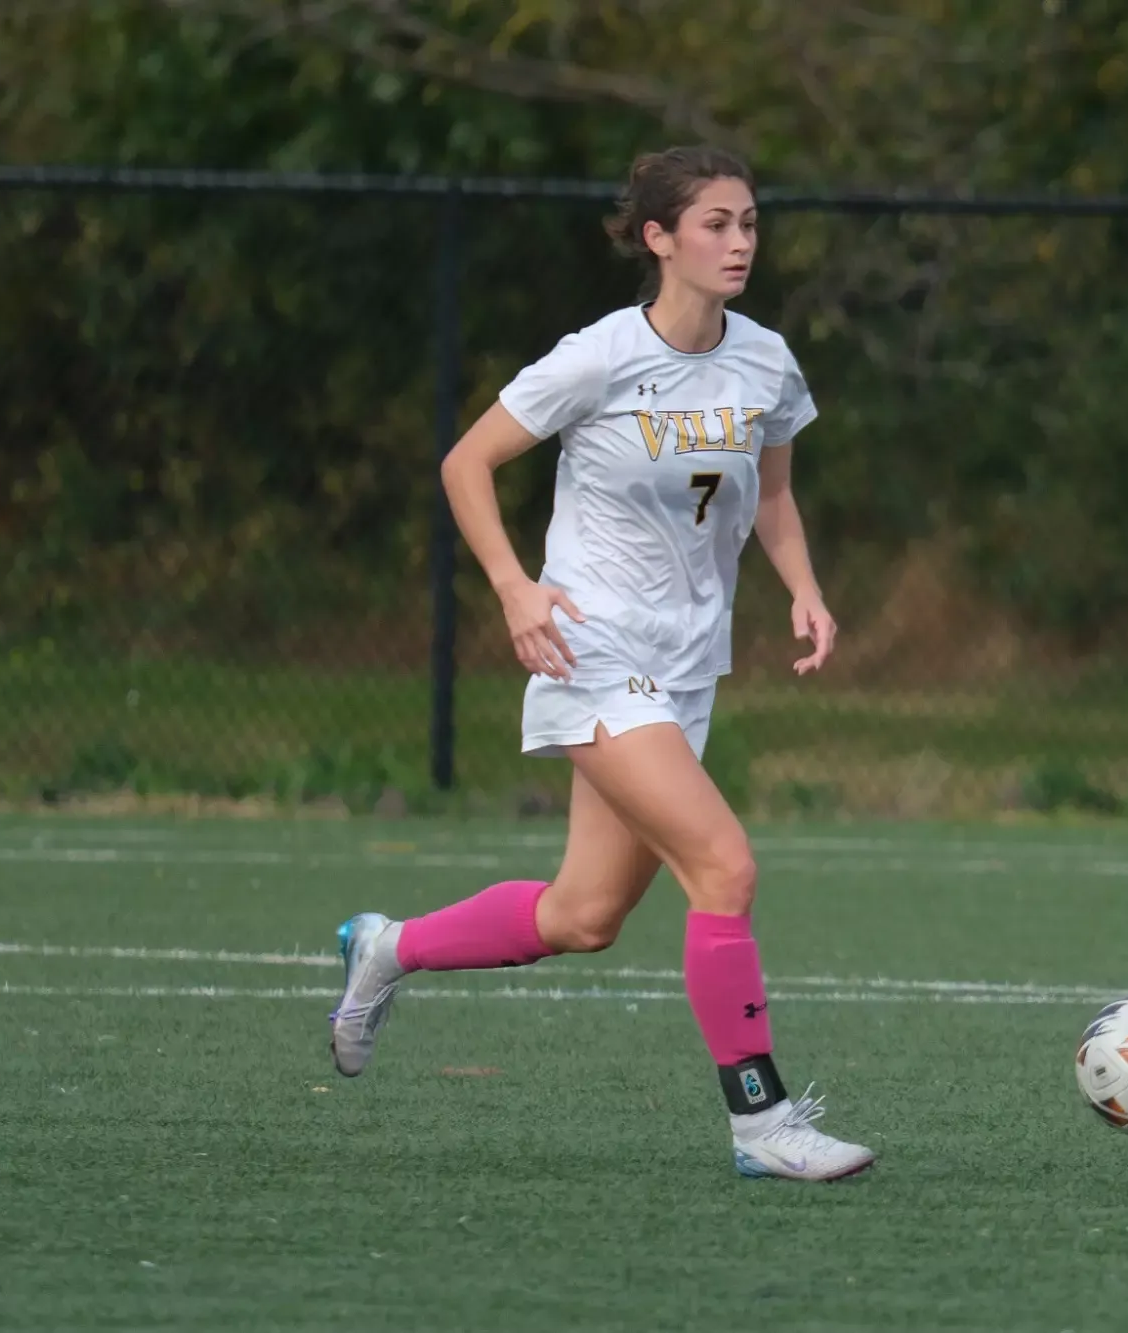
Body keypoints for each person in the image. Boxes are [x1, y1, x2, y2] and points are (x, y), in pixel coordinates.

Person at [326, 145, 874, 1182]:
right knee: (724, 864)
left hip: (684, 664)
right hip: (593, 650)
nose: (740, 240)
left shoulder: (765, 360)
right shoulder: (600, 356)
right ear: (657, 238)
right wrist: (511, 587)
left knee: (580, 916)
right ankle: (760, 1123)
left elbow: (769, 497)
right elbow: (465, 462)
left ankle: (384, 947)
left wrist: (801, 587)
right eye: (714, 223)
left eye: (749, 221)